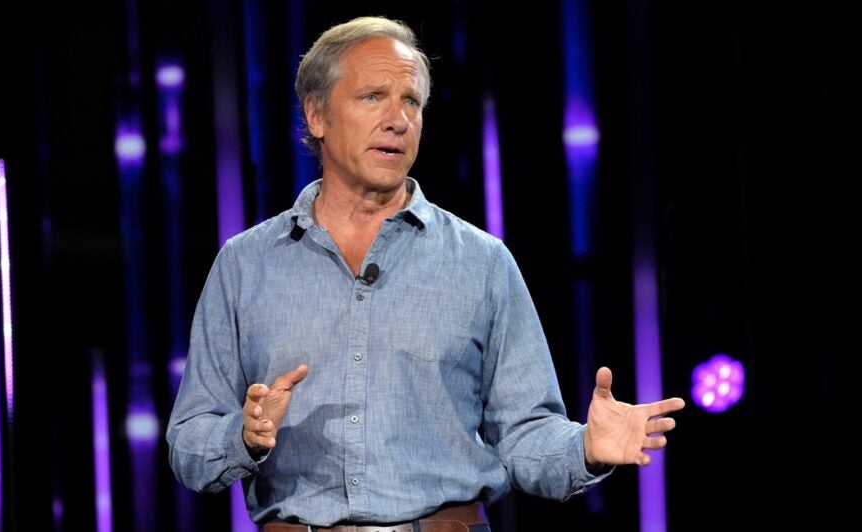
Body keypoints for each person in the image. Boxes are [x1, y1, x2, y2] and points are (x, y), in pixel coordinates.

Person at [167, 16, 685, 531]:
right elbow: (189, 445)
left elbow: (526, 435)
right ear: (317, 115)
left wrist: (585, 450)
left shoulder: (482, 262)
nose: (398, 119)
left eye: (411, 102)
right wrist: (244, 436)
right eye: (373, 97)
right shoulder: (245, 264)